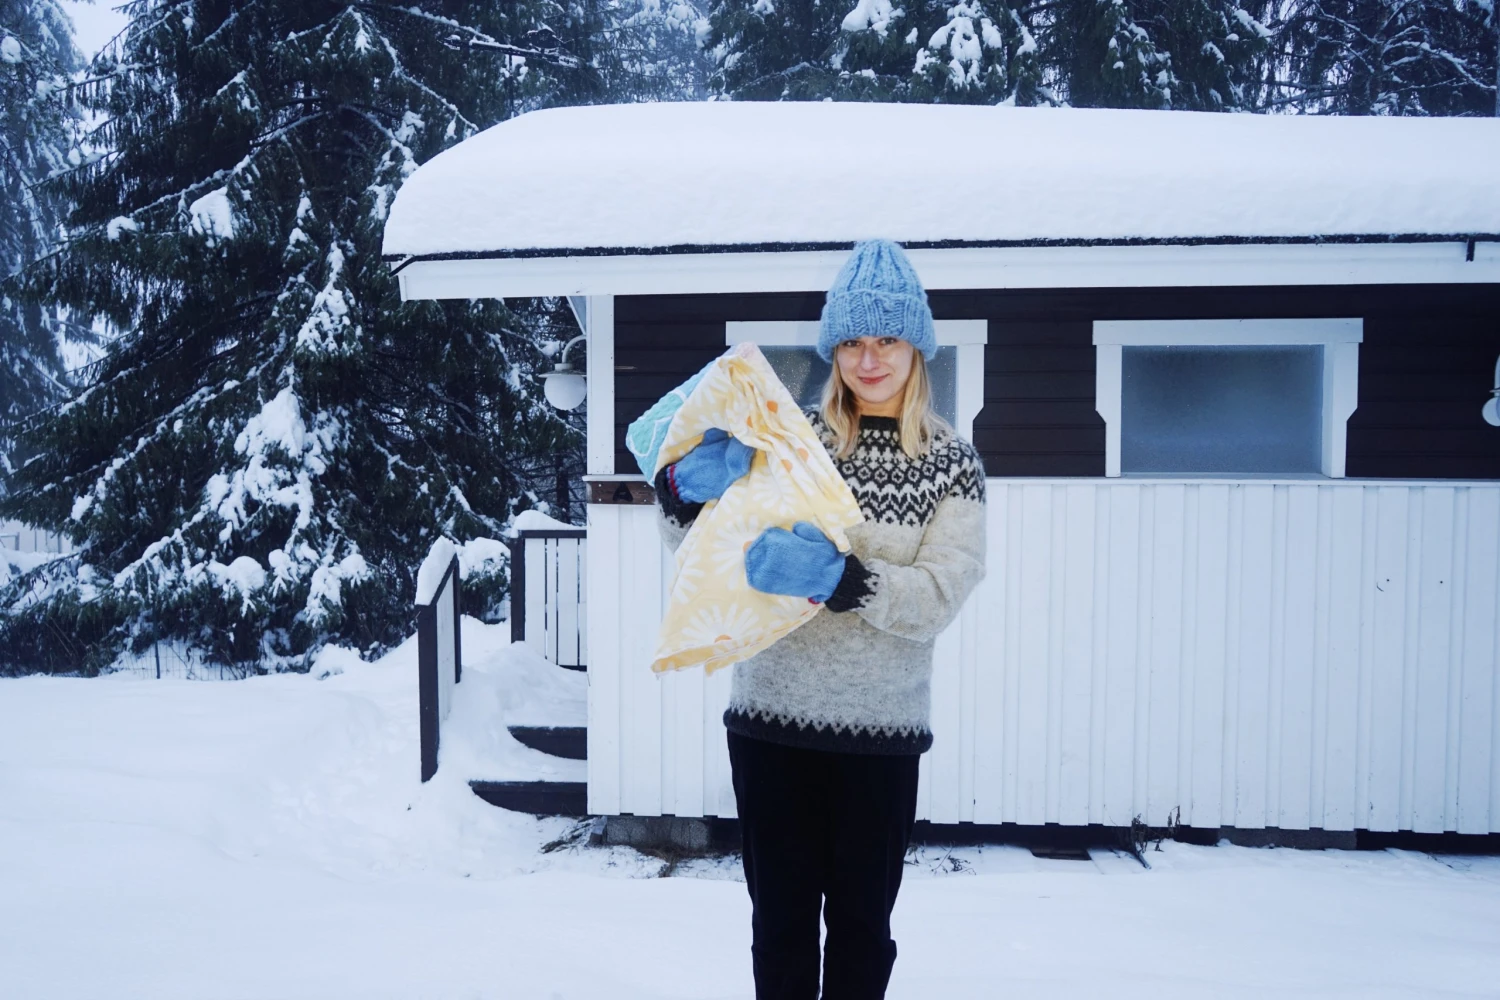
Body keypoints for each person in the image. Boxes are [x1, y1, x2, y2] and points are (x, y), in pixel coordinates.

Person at [653, 239, 987, 1000]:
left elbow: (941, 592)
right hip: (771, 724)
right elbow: (704, 552)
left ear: (917, 347)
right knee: (779, 932)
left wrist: (845, 579)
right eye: (853, 342)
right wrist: (682, 488)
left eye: (888, 340)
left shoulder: (952, 463)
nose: (870, 360)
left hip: (881, 737)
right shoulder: (789, 438)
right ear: (833, 347)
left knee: (863, 935)